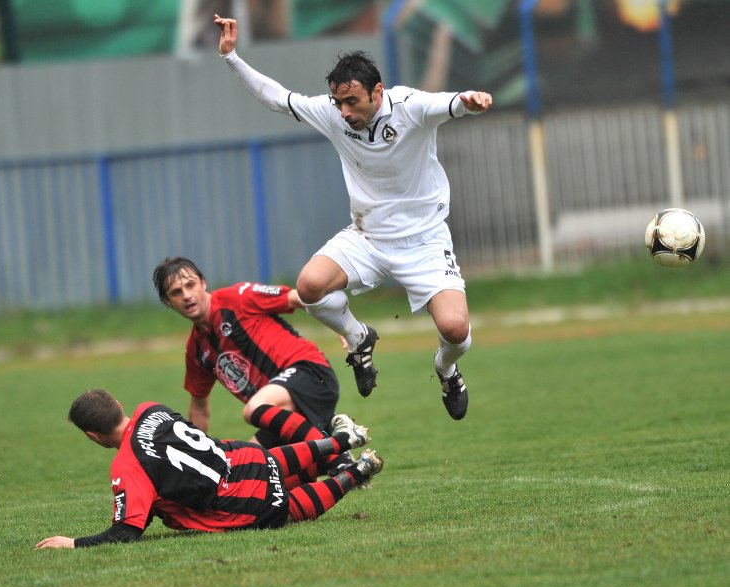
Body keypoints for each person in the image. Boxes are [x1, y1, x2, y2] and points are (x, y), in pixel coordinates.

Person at [213, 15, 494, 420]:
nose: (343, 112)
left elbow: (449, 103)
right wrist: (232, 57)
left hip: (425, 241)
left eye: (352, 102)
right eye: (338, 102)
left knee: (455, 330)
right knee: (309, 286)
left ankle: (446, 370)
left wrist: (470, 101)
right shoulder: (332, 114)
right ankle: (357, 337)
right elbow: (277, 97)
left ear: (377, 91)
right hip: (367, 237)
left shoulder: (410, 107)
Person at [35, 389, 383, 548]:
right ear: (119, 405)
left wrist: (74, 543)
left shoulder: (127, 466)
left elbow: (126, 531)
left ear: (93, 436)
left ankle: (357, 471)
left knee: (286, 509)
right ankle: (341, 441)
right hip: (243, 457)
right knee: (274, 461)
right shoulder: (150, 407)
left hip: (239, 501)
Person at [152, 256, 353, 485]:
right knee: (253, 476)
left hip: (310, 373)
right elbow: (199, 409)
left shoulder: (237, 297)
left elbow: (297, 297)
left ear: (203, 283)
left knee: (253, 409)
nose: (186, 295)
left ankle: (334, 454)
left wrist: (342, 323)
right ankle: (339, 465)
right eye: (176, 292)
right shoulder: (196, 350)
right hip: (280, 415)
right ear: (168, 302)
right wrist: (198, 456)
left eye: (190, 285)